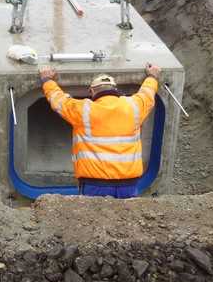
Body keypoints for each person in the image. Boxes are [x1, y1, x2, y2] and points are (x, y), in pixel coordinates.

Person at [38, 63, 161, 198]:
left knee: (95, 212)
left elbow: (58, 101)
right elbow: (147, 94)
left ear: (91, 91)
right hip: (128, 185)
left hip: (95, 185)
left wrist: (47, 80)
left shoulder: (84, 110)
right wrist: (152, 76)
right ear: (115, 89)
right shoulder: (134, 106)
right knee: (126, 213)